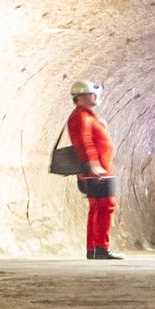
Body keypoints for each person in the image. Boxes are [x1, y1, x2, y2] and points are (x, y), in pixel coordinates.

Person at [64, 82, 120, 260]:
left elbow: (91, 139)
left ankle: (95, 248)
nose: (95, 97)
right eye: (91, 94)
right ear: (80, 97)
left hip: (98, 169)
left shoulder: (86, 116)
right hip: (95, 171)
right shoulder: (81, 116)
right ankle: (100, 248)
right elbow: (84, 142)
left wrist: (100, 128)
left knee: (99, 207)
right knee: (105, 205)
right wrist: (93, 163)